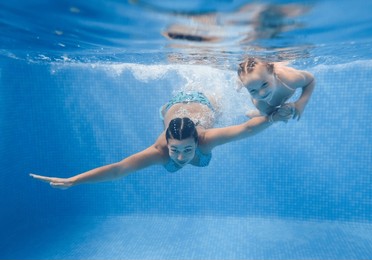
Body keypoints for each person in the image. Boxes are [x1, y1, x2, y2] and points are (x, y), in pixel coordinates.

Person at [30, 90, 292, 189]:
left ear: (196, 141)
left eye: (187, 149)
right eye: (175, 149)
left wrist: (272, 119)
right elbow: (118, 169)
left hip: (203, 104)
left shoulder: (205, 139)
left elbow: (245, 130)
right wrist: (75, 180)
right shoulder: (159, 151)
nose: (180, 157)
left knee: (219, 105)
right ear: (167, 142)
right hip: (173, 106)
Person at [237, 57, 315, 120]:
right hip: (265, 108)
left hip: (277, 76)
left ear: (273, 73)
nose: (262, 93)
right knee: (264, 114)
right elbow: (274, 115)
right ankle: (239, 82)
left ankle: (241, 82)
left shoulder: (290, 79)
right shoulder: (260, 103)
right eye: (252, 91)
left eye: (264, 84)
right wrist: (283, 113)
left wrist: (300, 104)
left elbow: (311, 80)